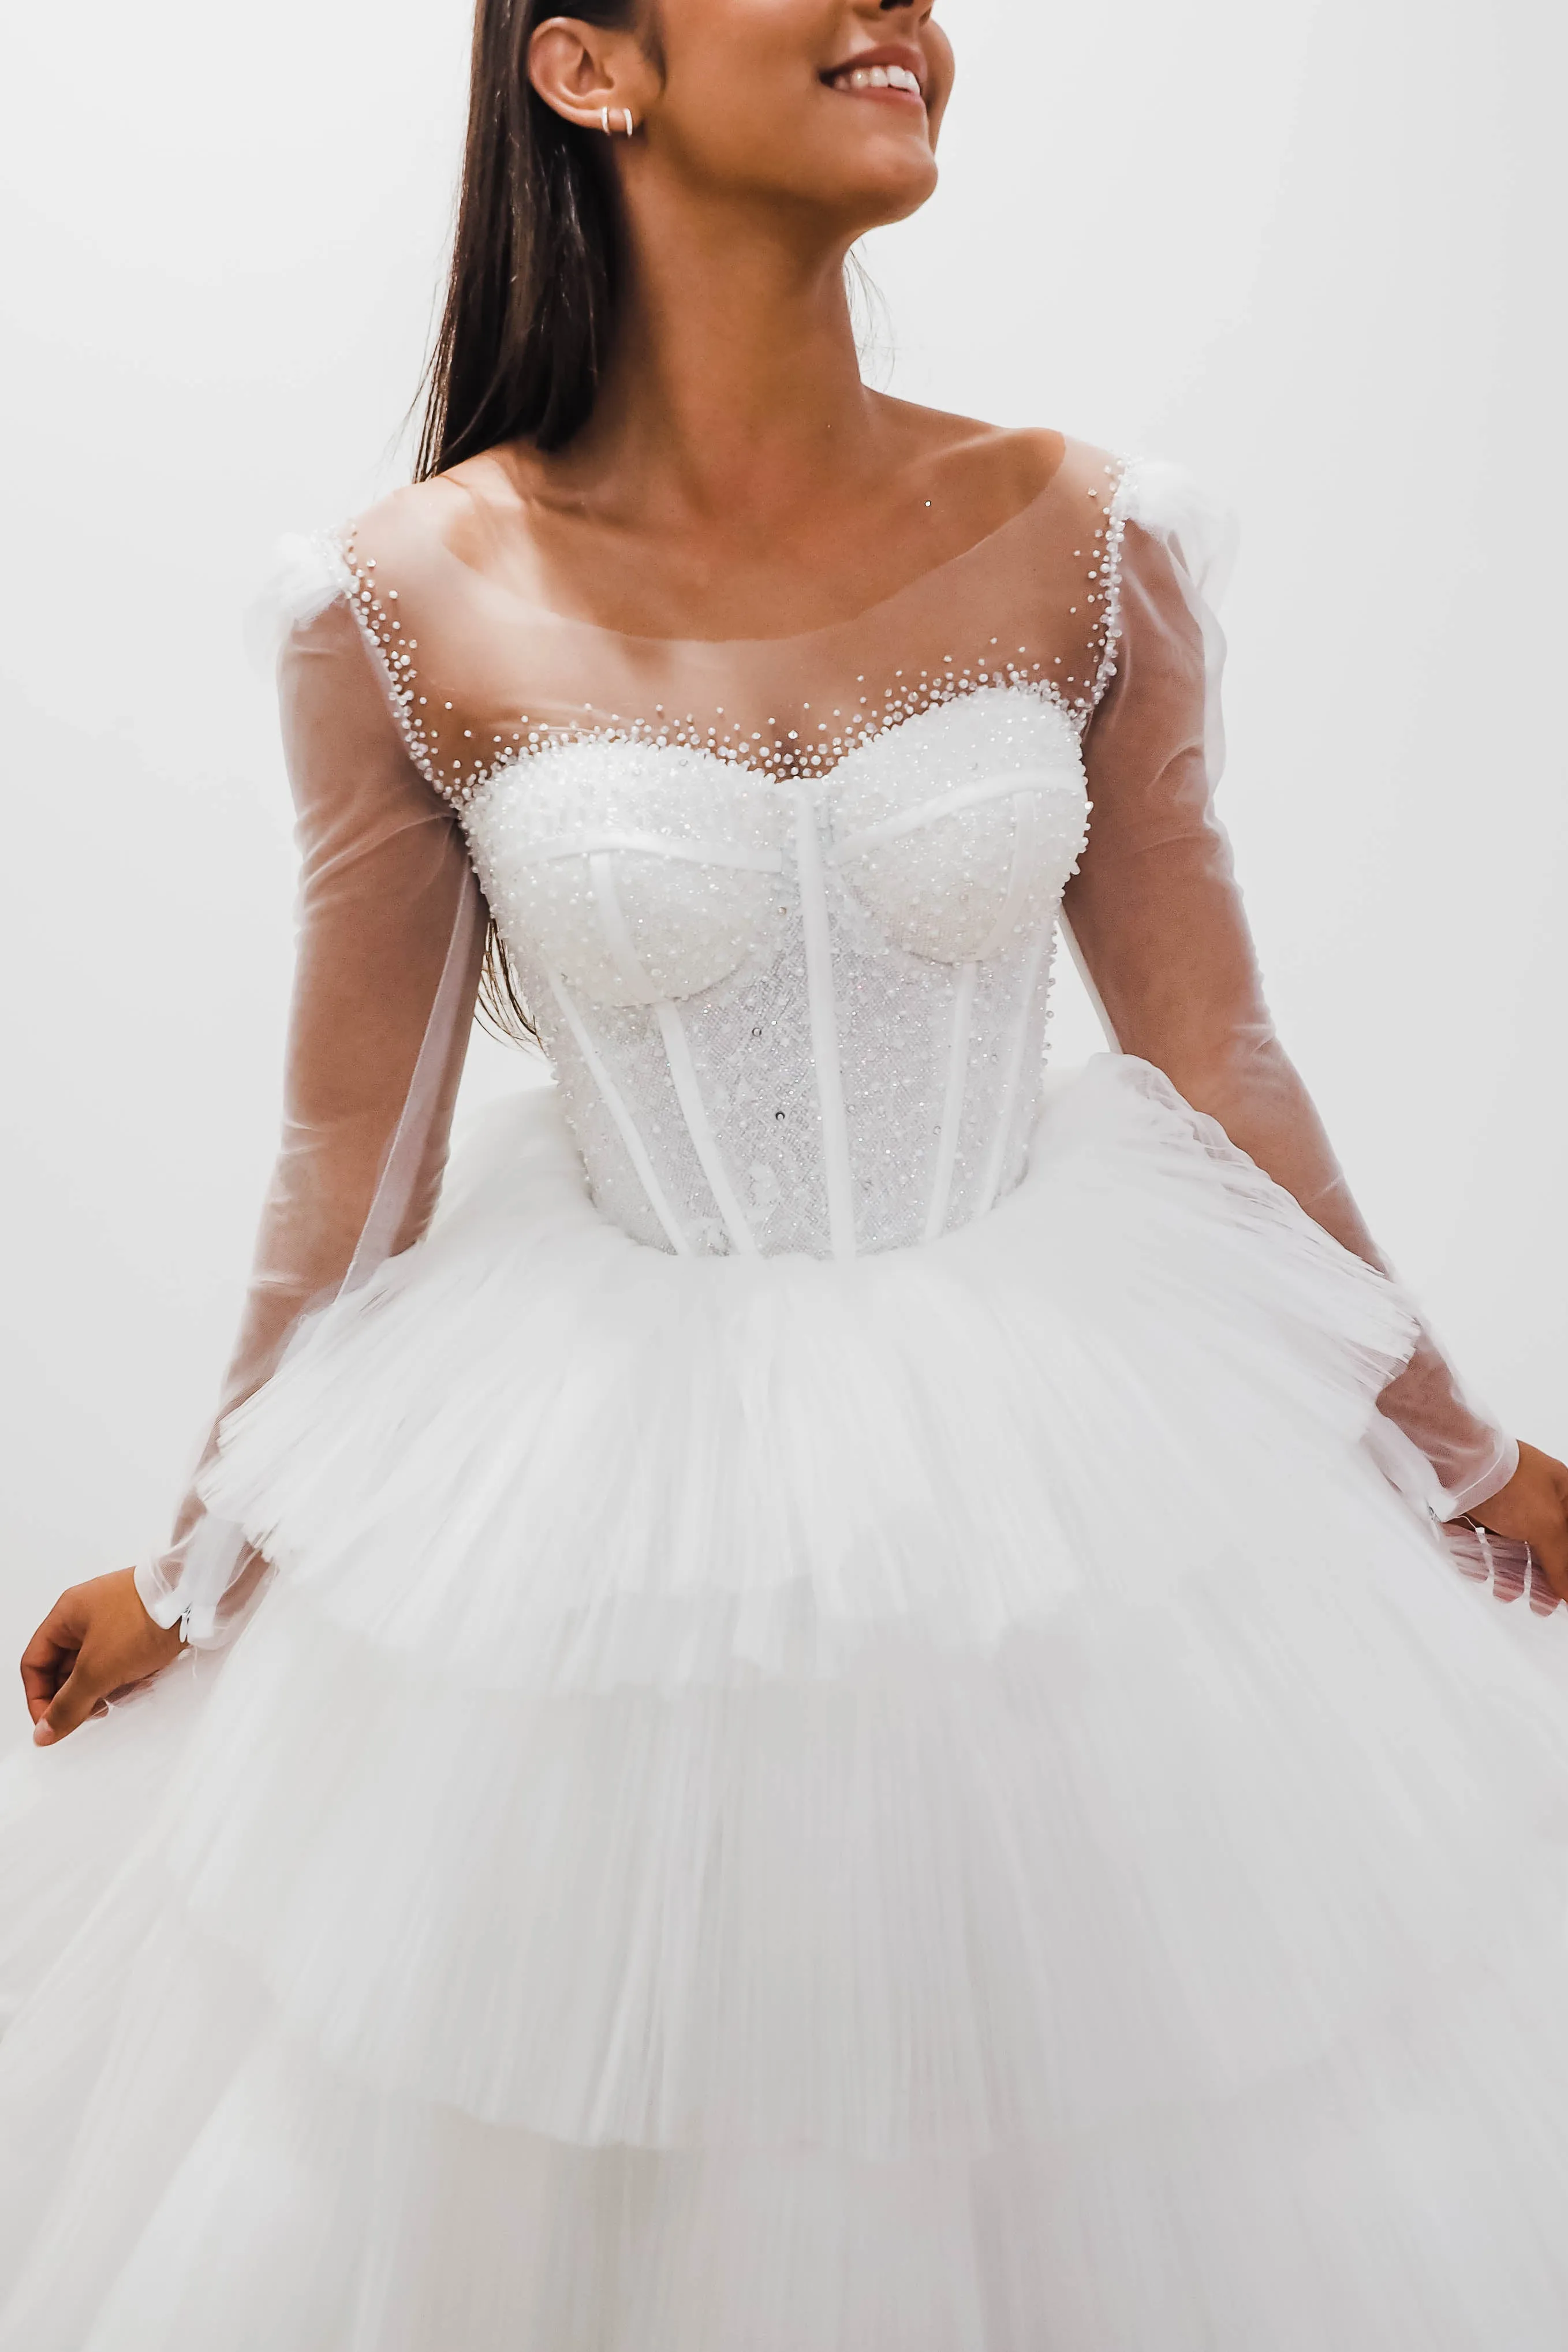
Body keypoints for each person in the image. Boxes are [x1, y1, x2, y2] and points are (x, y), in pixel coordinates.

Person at [5, 0, 1568, 2342]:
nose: (899, 15)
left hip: (1063, 1526)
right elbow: (354, 1155)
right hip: (611, 1554)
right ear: (584, 69)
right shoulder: (401, 607)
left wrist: (1461, 1459)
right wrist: (193, 1569)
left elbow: (1212, 1043)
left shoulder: (1084, 534)